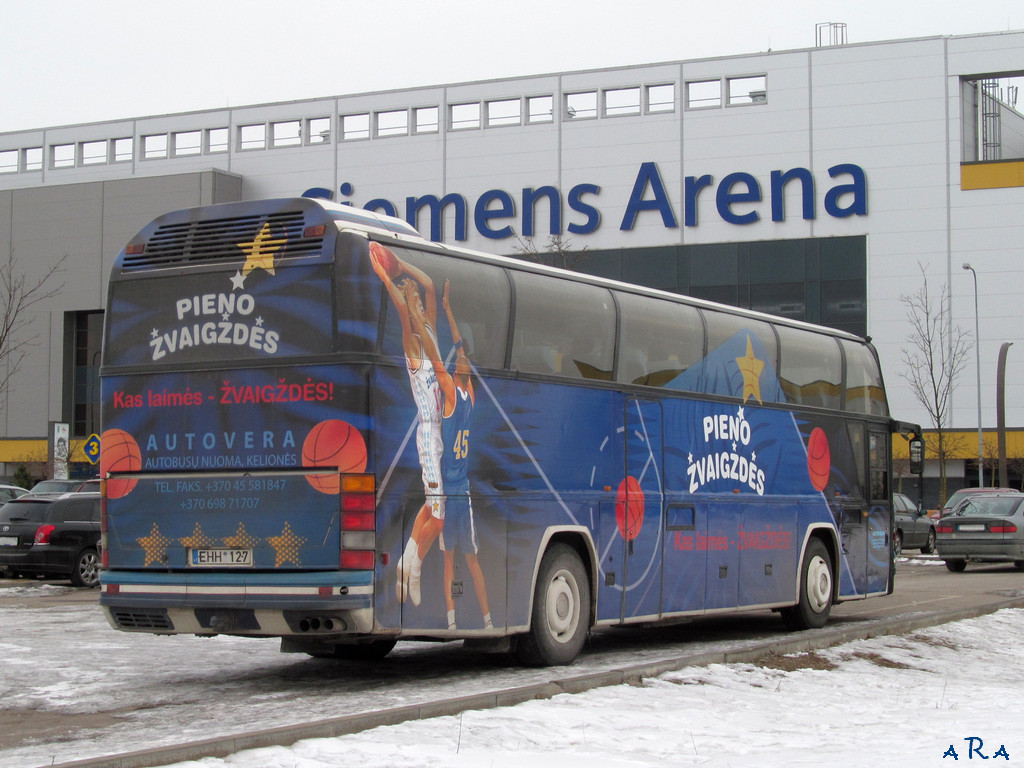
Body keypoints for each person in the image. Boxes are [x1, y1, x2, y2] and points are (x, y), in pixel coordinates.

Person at [369, 242, 444, 607]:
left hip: (440, 432)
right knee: (440, 513)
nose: (412, 291)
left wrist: (402, 265)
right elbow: (401, 309)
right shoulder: (412, 343)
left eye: (411, 290)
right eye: (408, 290)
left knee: (432, 506)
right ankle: (412, 568)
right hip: (427, 435)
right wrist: (385, 275)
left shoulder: (428, 327)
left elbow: (430, 284)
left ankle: (405, 563)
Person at [436, 279, 491, 630]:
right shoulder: (463, 394)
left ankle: (471, 619)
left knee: (461, 560)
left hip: (456, 488)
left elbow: (456, 348)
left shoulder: (460, 392)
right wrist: (447, 310)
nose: (463, 359)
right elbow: (458, 347)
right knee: (460, 561)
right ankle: (467, 620)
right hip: (456, 489)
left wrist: (445, 311)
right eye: (463, 360)